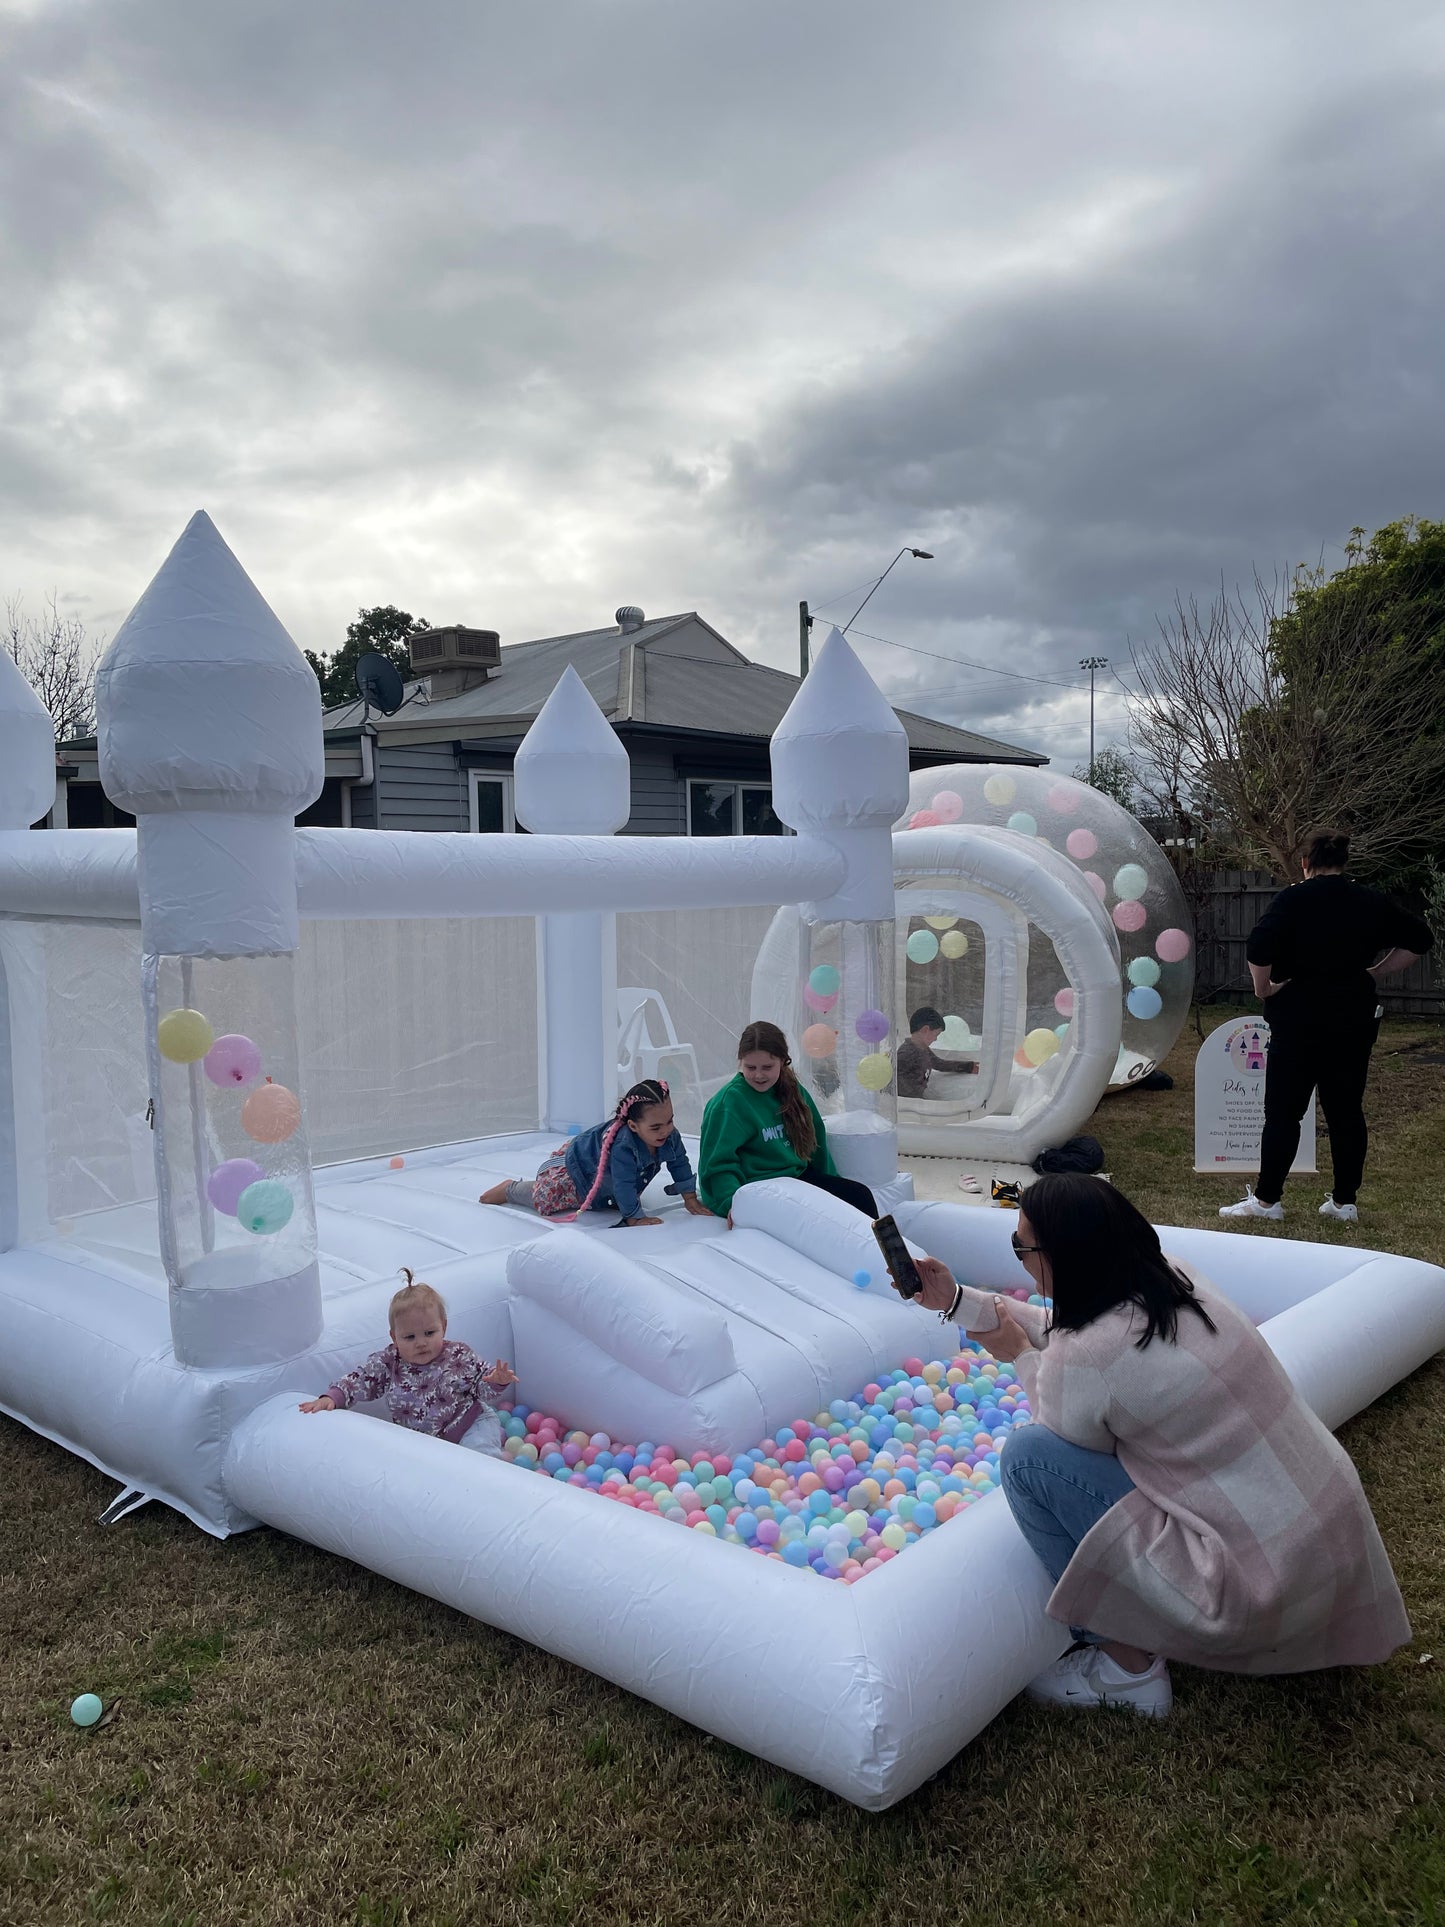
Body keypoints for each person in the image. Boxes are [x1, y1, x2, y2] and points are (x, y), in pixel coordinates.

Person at [901, 1174, 1409, 1717]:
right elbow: (1071, 1331)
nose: (1019, 1257)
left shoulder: (1089, 1357)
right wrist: (956, 1301)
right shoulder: (1176, 1281)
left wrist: (1020, 1356)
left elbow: (1060, 1426)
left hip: (1255, 1588)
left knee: (1027, 1460)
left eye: (1020, 1247)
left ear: (1062, 1255)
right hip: (1331, 1552)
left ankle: (1127, 1670)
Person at [1220, 827, 1432, 1225]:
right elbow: (1421, 938)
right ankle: (1344, 1203)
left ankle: (1268, 1203)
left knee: (1283, 1113)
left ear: (1305, 862)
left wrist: (1263, 988)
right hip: (1352, 1017)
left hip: (1297, 1017)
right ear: (1343, 861)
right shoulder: (1367, 900)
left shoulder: (1293, 899)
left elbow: (1259, 946)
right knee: (1346, 1111)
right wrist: (1374, 973)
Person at [299, 1269, 519, 1457]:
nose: (421, 1343)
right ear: (394, 1337)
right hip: (426, 1443)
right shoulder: (389, 1363)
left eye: (430, 1333)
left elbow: (482, 1386)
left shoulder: (458, 1355)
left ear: (443, 1326)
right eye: (409, 1337)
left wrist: (496, 1381)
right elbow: (360, 1380)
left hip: (471, 1424)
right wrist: (333, 1397)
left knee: (478, 1458)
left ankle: (496, 1469)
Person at [697, 1020, 878, 1220]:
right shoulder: (729, 1103)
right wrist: (732, 1204)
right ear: (740, 1062)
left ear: (783, 1061)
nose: (758, 1075)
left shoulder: (792, 1090)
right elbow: (718, 1164)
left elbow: (815, 1142)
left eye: (767, 1067)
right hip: (758, 1186)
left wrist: (831, 1183)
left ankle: (887, 1250)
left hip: (796, 1178)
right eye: (750, 1067)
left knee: (860, 1196)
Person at [479, 1078, 711, 1228]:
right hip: (578, 1169)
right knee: (547, 1198)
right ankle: (510, 1189)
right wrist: (635, 1217)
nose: (666, 1130)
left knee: (614, 1198)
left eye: (670, 1121)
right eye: (656, 1127)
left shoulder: (669, 1135)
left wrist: (690, 1198)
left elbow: (680, 1163)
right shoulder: (623, 1145)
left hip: (604, 1178)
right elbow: (622, 1183)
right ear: (633, 1126)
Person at [895, 1005, 979, 1098]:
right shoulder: (906, 1053)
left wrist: (969, 1067)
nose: (935, 1039)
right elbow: (898, 1083)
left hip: (917, 1102)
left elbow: (939, 1064)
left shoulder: (923, 1049)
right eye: (936, 1034)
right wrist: (917, 1101)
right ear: (925, 1030)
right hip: (909, 1105)